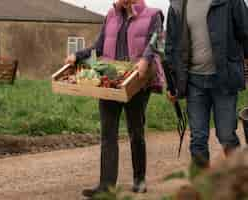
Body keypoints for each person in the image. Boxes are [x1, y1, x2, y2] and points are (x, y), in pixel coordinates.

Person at [65, 0, 164, 197]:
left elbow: (158, 41)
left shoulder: (153, 14)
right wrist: (78, 55)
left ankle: (139, 180)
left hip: (136, 81)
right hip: (111, 80)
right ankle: (106, 186)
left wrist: (145, 59)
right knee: (108, 133)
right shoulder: (111, 15)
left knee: (136, 132)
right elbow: (99, 47)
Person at [165, 0, 248, 169]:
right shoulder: (178, 5)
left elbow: (245, 33)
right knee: (198, 138)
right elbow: (171, 47)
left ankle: (239, 183)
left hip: (224, 79)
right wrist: (172, 85)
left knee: (226, 136)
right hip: (194, 82)